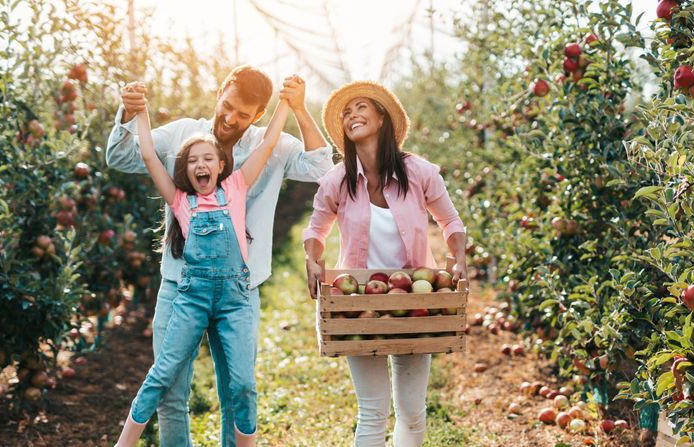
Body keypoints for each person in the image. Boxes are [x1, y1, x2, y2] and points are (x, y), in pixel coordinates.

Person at [106, 66, 333, 447]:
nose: (230, 118)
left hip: (239, 291)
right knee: (171, 393)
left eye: (242, 114)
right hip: (181, 286)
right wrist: (131, 112)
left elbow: (323, 169)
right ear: (219, 92)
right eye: (226, 106)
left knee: (237, 391)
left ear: (258, 115)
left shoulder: (269, 146)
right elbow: (125, 156)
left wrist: (296, 107)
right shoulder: (183, 135)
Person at [302, 81, 468, 447]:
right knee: (373, 410)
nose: (352, 115)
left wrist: (458, 258)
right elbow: (316, 229)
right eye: (346, 112)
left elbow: (451, 223)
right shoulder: (337, 181)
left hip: (414, 305)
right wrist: (313, 260)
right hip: (360, 302)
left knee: (411, 410)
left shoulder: (419, 172)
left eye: (361, 107)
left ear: (381, 118)